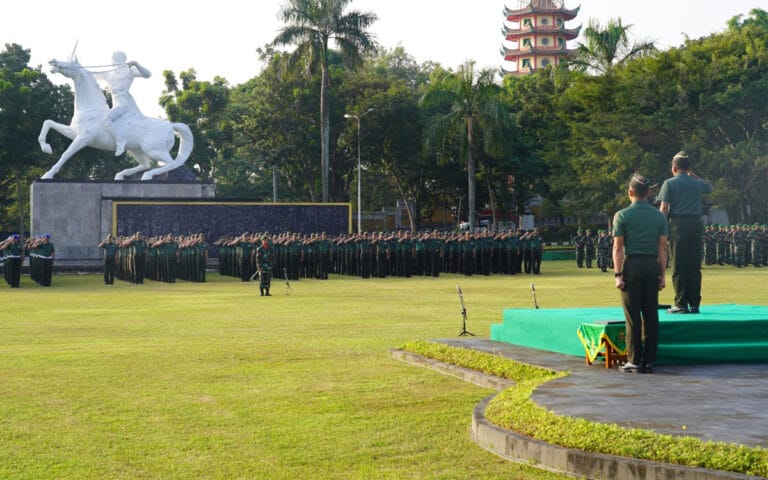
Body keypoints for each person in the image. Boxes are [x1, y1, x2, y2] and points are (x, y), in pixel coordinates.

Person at [613, 174, 668, 374]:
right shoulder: (659, 216)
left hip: (632, 265)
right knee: (651, 314)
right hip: (651, 264)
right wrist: (662, 275)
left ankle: (634, 360)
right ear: (649, 193)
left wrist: (618, 275)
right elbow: (663, 249)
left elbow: (618, 248)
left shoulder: (622, 215)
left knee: (632, 316)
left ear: (630, 192)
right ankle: (650, 360)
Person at [658, 151, 713, 314]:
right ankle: (694, 303)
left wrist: (661, 229)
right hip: (696, 224)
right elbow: (710, 187)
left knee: (678, 265)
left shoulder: (669, 183)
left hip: (678, 224)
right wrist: (692, 174)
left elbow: (663, 208)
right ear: (688, 168)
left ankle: (681, 303)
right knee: (694, 265)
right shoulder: (696, 183)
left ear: (674, 167)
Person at [91, 51, 151, 156]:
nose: (113, 61)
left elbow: (148, 74)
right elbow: (90, 74)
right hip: (116, 104)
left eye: (116, 58)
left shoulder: (130, 71)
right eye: (114, 58)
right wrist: (72, 66)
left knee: (107, 120)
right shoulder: (109, 73)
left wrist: (136, 64)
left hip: (125, 103)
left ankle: (120, 141)